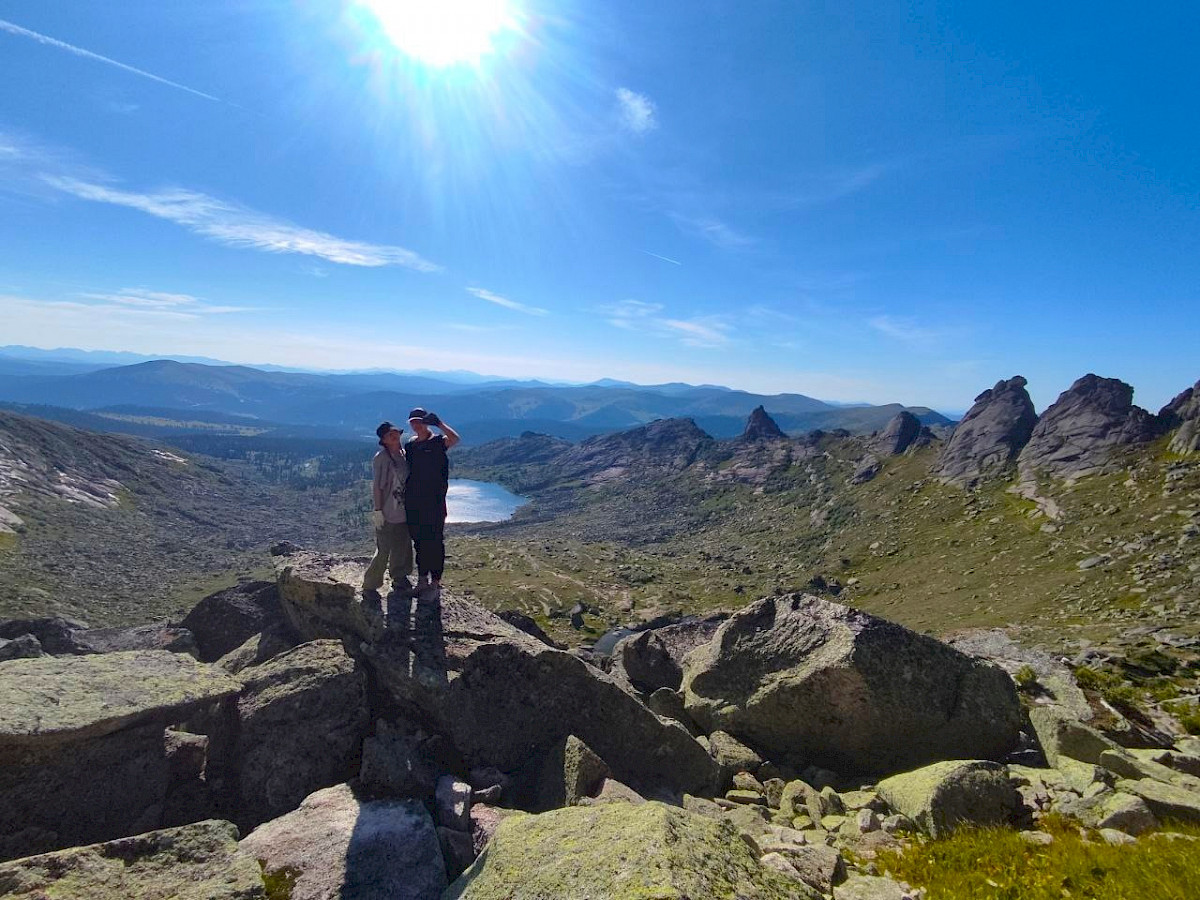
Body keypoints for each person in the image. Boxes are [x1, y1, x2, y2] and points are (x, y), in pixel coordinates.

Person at [403, 407, 460, 589]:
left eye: (420, 421)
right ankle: (422, 578)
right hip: (414, 500)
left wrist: (439, 424)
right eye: (413, 422)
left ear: (426, 422)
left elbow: (455, 439)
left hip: (434, 501)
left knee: (434, 540)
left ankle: (435, 581)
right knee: (419, 541)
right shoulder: (410, 445)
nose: (416, 425)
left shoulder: (437, 441)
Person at [362, 421, 413, 597]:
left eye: (395, 432)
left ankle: (399, 577)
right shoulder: (382, 458)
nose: (394, 436)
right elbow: (377, 486)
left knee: (403, 546)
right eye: (389, 434)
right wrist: (378, 511)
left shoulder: (404, 454)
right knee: (383, 548)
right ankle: (371, 583)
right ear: (383, 440)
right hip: (388, 510)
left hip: (404, 510)